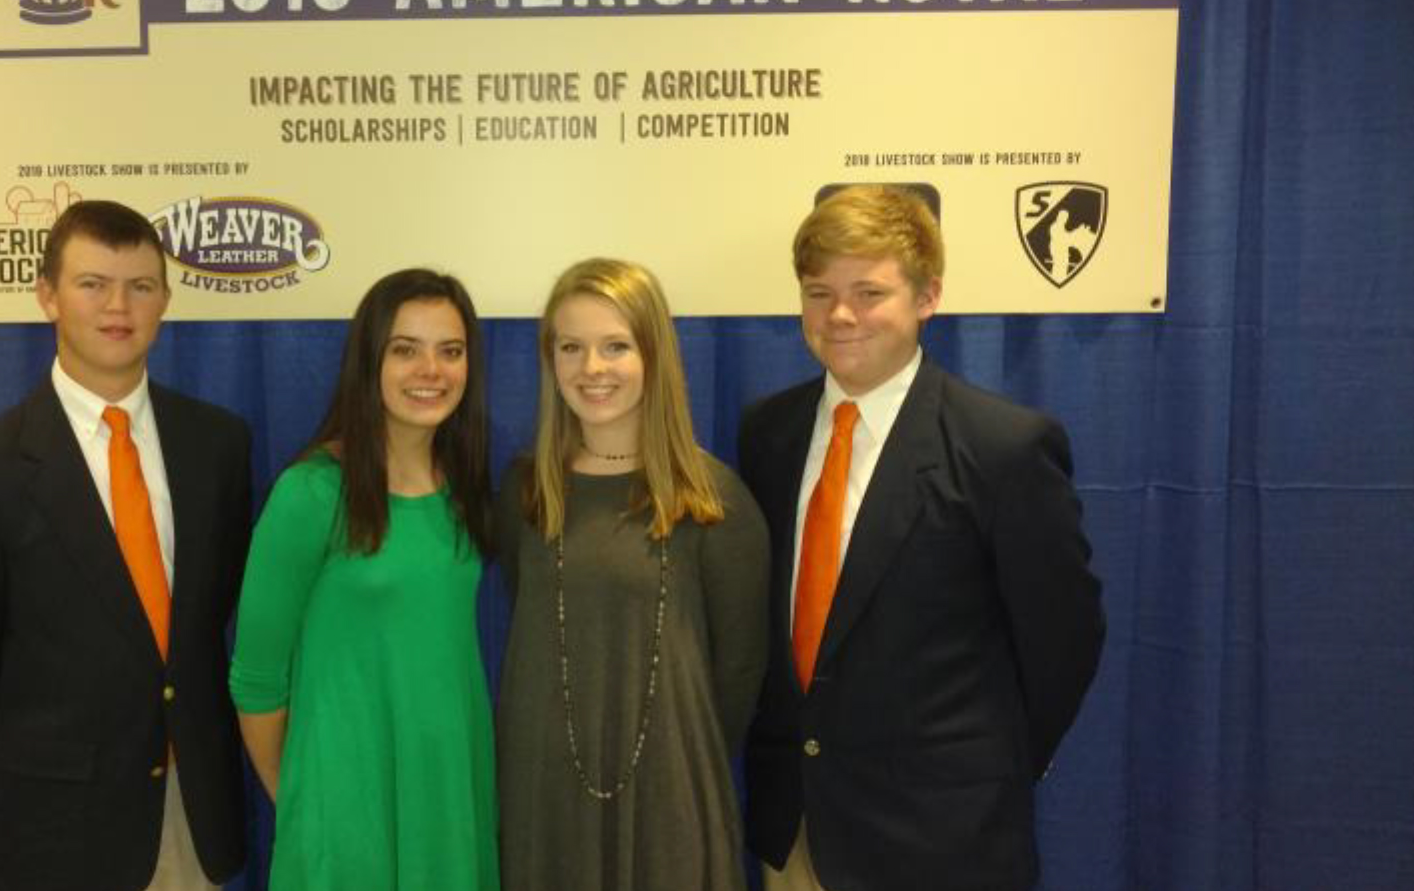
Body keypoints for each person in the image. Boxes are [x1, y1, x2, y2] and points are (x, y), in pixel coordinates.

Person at [739, 184, 1106, 891]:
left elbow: (1065, 641)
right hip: (797, 839)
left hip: (943, 842)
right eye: (819, 293)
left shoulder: (1002, 448)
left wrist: (976, 771)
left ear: (927, 297)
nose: (840, 315)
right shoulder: (768, 434)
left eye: (869, 292)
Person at [0, 200, 253, 891]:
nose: (118, 306)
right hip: (53, 828)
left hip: (190, 815)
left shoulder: (217, 444)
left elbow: (214, 614)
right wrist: (47, 754)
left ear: (165, 301)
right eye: (92, 283)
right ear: (47, 296)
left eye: (141, 285)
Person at [497, 258, 769, 891]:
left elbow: (739, 673)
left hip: (672, 799)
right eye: (572, 347)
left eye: (616, 345)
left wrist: (672, 758)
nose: (592, 368)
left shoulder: (713, 500)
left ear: (655, 355)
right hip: (545, 795)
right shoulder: (525, 493)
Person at [228, 269, 499, 891]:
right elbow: (256, 679)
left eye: (449, 351)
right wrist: (309, 797)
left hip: (448, 793)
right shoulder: (312, 493)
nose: (430, 370)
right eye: (405, 349)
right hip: (345, 805)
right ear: (368, 360)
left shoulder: (465, 490)